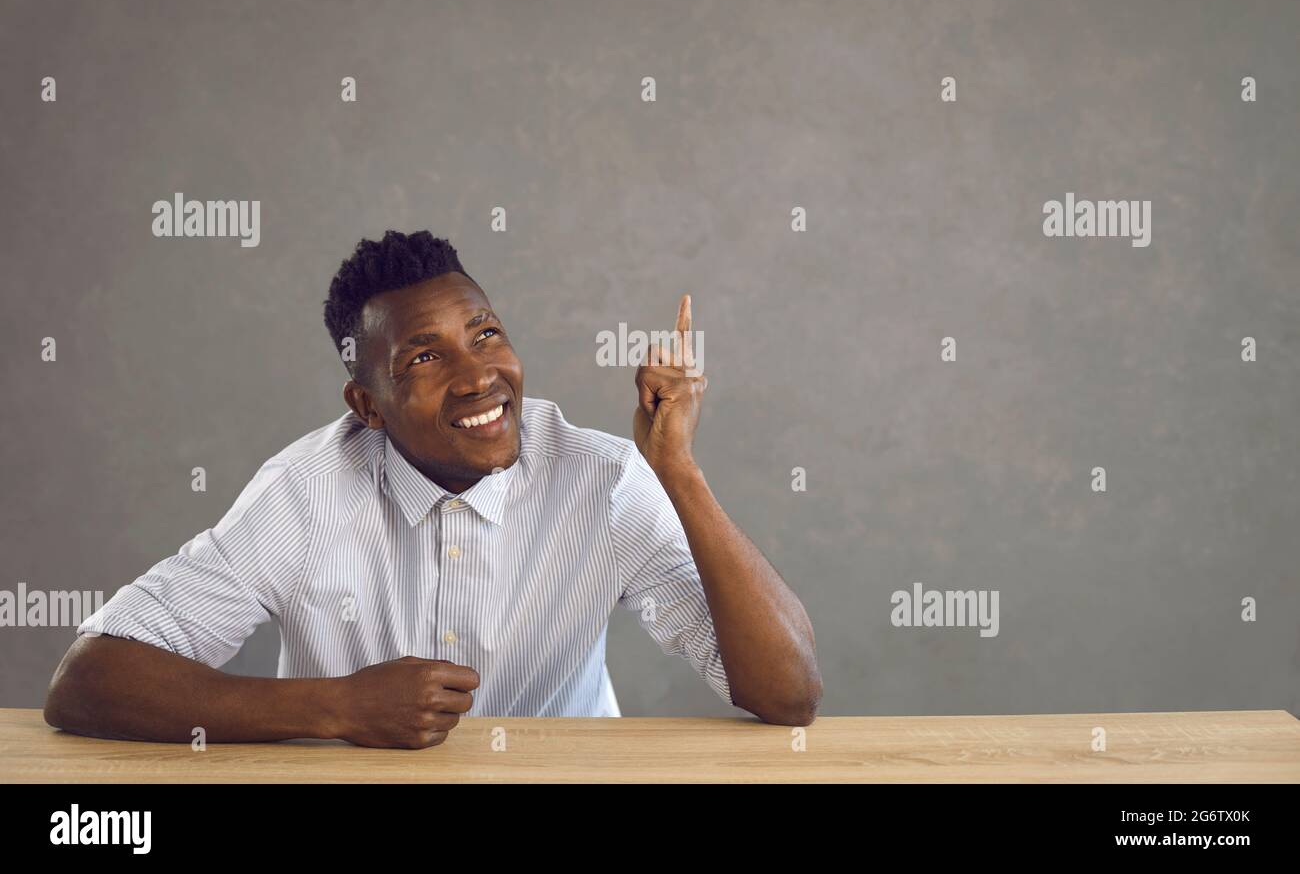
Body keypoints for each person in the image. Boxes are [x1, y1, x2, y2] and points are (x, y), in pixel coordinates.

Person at [44, 230, 821, 748]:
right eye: (424, 358)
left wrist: (677, 471)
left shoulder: (605, 480)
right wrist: (340, 706)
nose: (478, 374)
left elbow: (787, 695)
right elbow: (87, 680)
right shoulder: (306, 494)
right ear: (368, 405)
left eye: (484, 334)